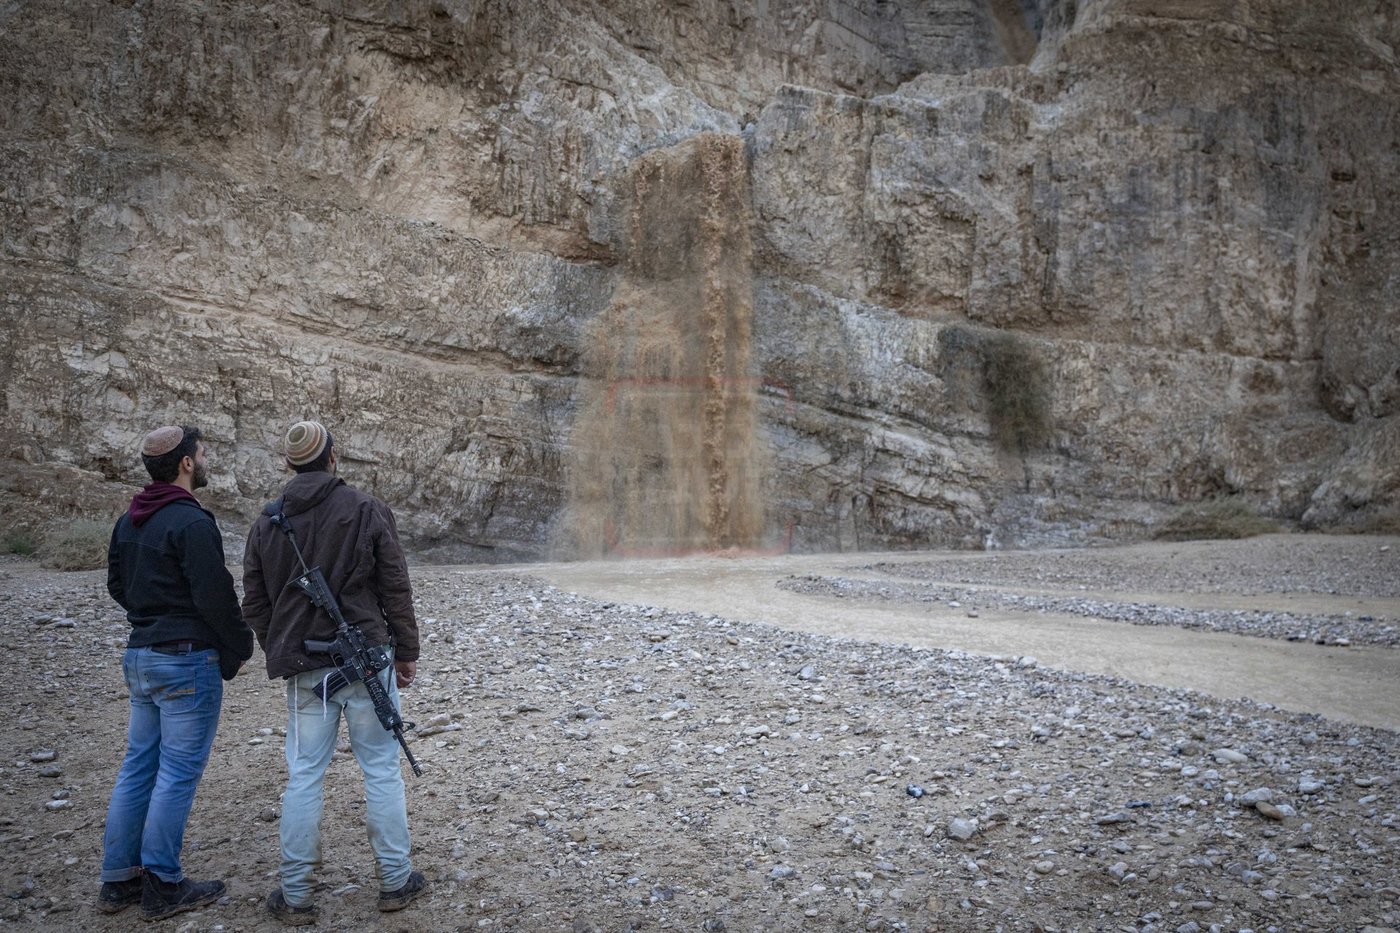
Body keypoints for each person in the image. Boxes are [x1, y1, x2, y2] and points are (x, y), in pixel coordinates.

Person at [242, 420, 425, 923]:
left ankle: (296, 894)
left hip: (305, 669)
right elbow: (395, 587)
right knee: (382, 769)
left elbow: (255, 603)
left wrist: (279, 645)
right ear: (334, 457)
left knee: (304, 775)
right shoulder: (365, 507)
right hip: (367, 659)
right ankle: (395, 881)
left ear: (287, 464)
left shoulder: (267, 522)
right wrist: (405, 650)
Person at [99, 425, 254, 921]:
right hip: (186, 659)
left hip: (141, 655)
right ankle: (163, 883)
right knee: (177, 773)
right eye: (202, 454)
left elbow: (117, 585)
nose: (204, 461)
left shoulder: (130, 520)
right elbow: (215, 594)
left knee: (138, 766)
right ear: (186, 463)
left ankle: (118, 878)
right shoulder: (190, 522)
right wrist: (239, 644)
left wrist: (151, 616)